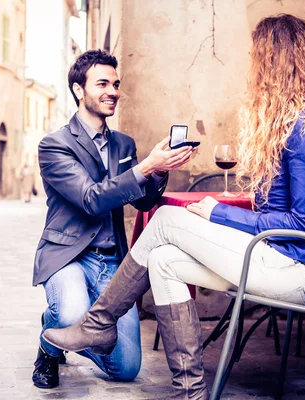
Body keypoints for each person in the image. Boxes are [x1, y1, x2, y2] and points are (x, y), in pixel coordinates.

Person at [42, 14, 305, 399]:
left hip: (302, 270)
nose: (251, 66)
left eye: (256, 57)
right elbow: (91, 198)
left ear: (275, 61)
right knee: (164, 259)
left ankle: (99, 322)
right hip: (273, 255)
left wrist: (219, 213)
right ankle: (190, 392)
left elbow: (301, 221)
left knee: (166, 218)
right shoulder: (287, 125)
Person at [31, 49, 195, 389]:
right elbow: (91, 199)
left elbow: (144, 199)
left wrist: (159, 170)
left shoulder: (124, 144)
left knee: (126, 368)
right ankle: (51, 342)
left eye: (116, 84)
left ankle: (69, 329)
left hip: (112, 262)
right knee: (72, 315)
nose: (113, 91)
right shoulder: (54, 145)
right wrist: (146, 166)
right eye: (102, 83)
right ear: (79, 90)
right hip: (68, 256)